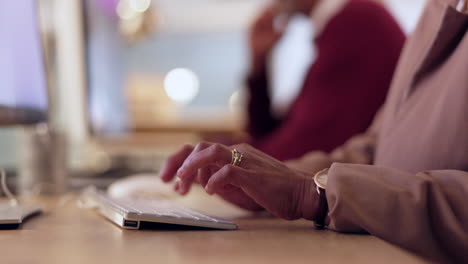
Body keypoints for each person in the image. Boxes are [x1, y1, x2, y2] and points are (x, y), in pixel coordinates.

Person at [160, 0, 468, 262]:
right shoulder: (436, 9)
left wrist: (305, 190)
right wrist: (251, 172)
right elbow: (376, 147)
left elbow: (295, 145)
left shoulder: (358, 24)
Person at [245, 0, 405, 161]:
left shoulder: (357, 22)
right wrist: (259, 61)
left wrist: (239, 160)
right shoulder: (345, 22)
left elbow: (304, 148)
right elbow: (279, 132)